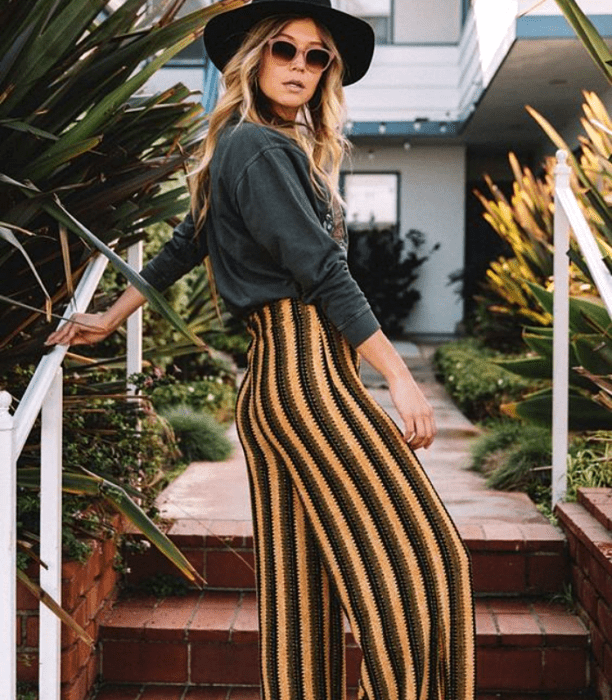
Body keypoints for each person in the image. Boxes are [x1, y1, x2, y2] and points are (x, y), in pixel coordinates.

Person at [46, 0, 475, 697]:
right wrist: (399, 376)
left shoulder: (248, 147)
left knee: (302, 601)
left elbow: (184, 246)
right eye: (285, 48)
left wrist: (108, 317)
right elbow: (322, 270)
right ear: (253, 56)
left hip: (274, 390)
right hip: (307, 380)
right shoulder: (260, 147)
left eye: (317, 56)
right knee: (431, 563)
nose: (301, 66)